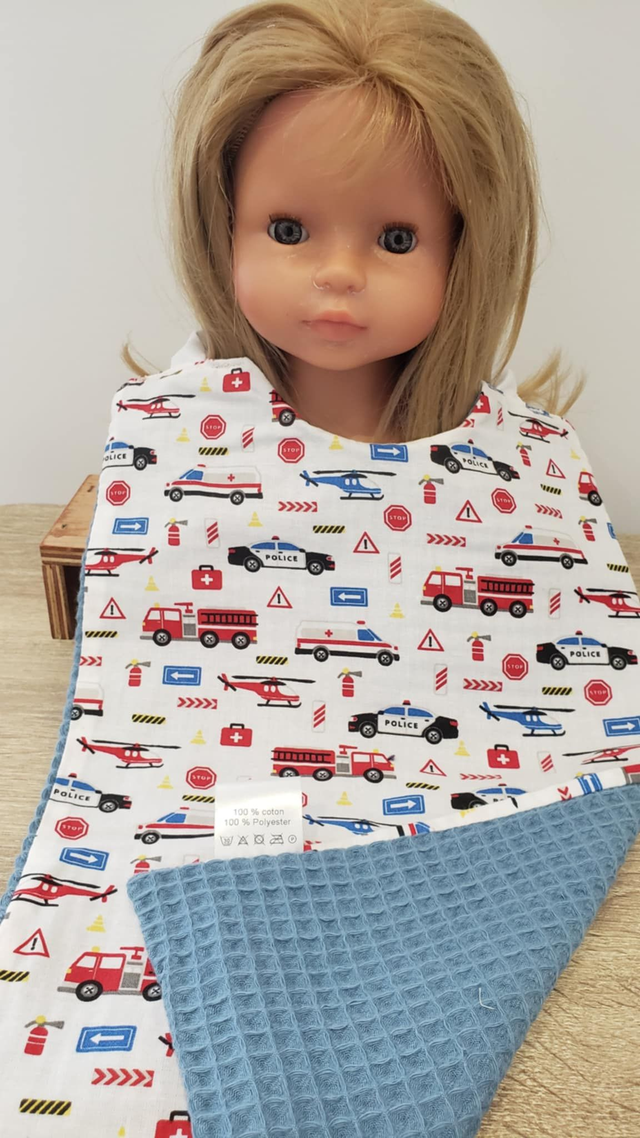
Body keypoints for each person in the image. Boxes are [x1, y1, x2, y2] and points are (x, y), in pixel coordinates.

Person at [124, 0, 586, 438]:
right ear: (221, 223)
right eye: (289, 232)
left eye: (397, 240)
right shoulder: (172, 432)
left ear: (463, 245)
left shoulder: (514, 454)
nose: (340, 273)